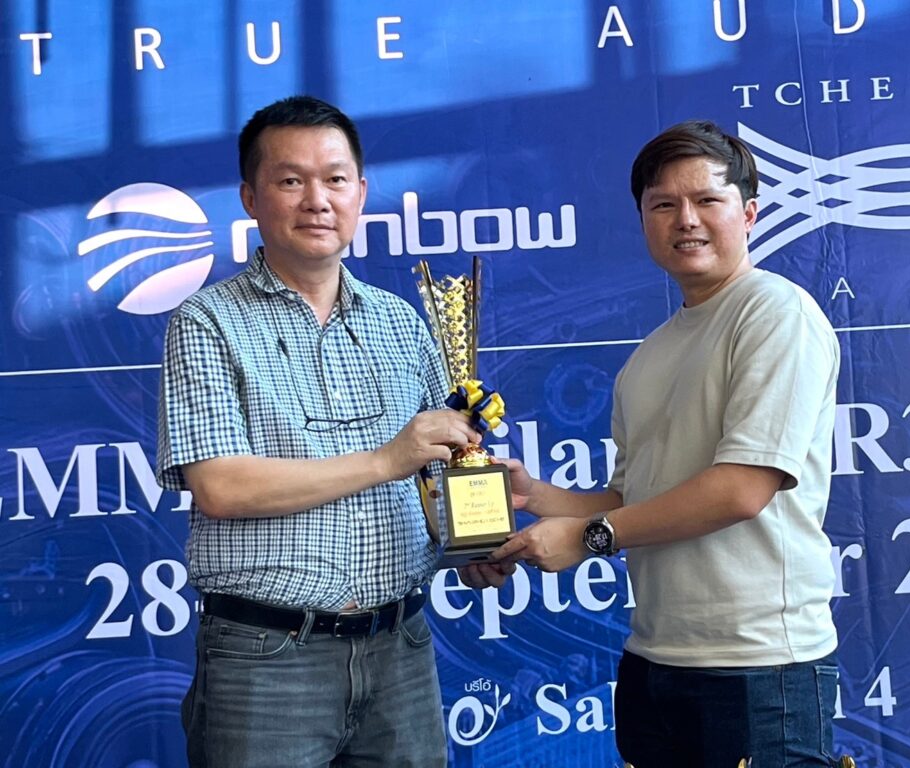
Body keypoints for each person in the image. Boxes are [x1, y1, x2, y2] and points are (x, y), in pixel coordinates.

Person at [463, 120, 841, 767]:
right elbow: (633, 498)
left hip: (761, 667)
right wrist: (533, 496)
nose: (685, 219)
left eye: (706, 200)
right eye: (663, 204)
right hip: (655, 660)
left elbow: (742, 489)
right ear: (642, 221)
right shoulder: (650, 354)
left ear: (749, 213)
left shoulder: (777, 313)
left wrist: (588, 538)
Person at [157, 95, 481, 768]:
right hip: (267, 659)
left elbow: (432, 476)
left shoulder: (399, 321)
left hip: (400, 648)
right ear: (250, 198)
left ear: (360, 192)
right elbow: (221, 487)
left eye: (335, 179)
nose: (317, 200)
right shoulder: (206, 321)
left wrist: (475, 541)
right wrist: (386, 458)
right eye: (290, 180)